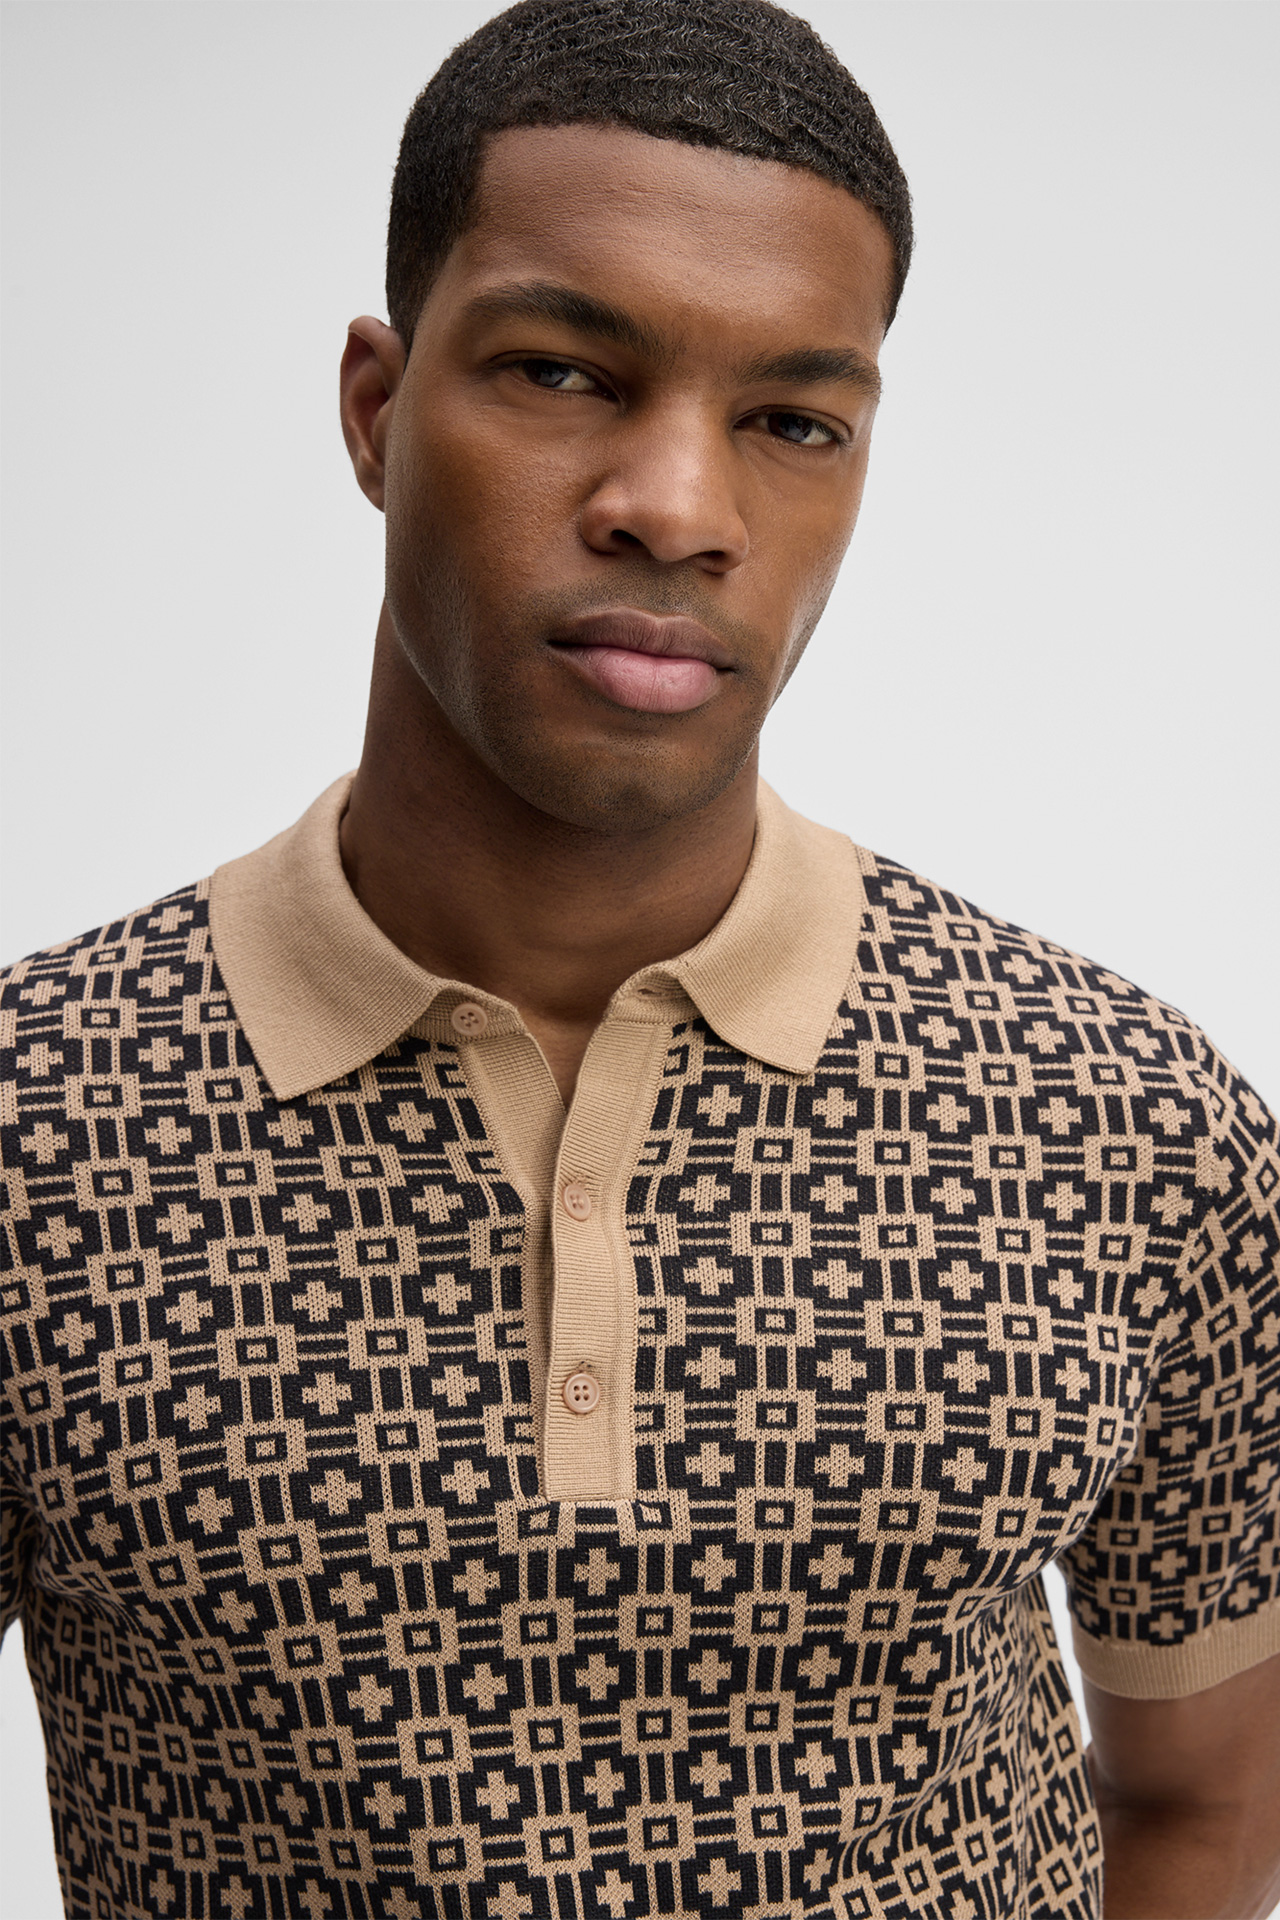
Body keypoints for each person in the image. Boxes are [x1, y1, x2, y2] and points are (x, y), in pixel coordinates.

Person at [2, 1, 1278, 1916]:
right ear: (376, 408)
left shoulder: (1128, 1124)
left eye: (793, 421)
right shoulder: (34, 1131)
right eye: (561, 372)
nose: (678, 509)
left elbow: (1196, 1807)